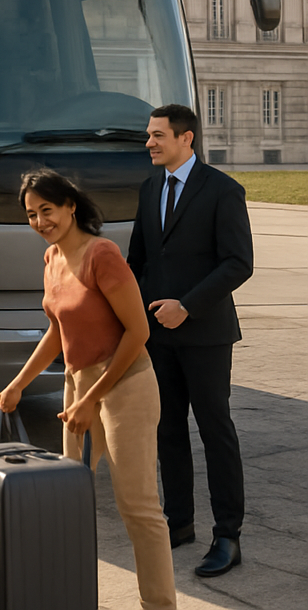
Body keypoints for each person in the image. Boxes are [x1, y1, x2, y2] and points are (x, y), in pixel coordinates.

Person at [0, 169, 176, 610]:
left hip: (125, 384)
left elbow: (138, 333)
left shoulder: (102, 254)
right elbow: (58, 331)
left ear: (71, 205)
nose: (40, 221)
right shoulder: (52, 258)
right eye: (32, 214)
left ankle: (159, 605)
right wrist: (19, 384)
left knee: (138, 507)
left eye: (47, 210)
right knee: (68, 500)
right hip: (79, 385)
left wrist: (90, 398)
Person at [128, 104, 253, 578]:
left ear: (186, 139)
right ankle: (178, 523)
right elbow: (138, 261)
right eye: (149, 135)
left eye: (158, 135)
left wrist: (188, 305)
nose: (149, 143)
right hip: (158, 336)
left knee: (214, 430)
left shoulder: (223, 190)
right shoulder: (149, 188)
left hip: (205, 334)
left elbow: (238, 262)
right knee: (167, 430)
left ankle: (228, 536)